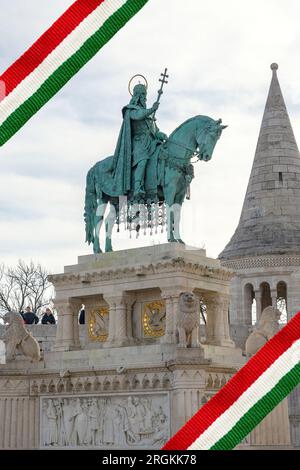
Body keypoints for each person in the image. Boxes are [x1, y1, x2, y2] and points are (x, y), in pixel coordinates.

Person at [111, 83, 167, 199]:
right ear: (135, 95)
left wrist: (162, 135)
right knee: (143, 160)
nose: (143, 97)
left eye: (144, 94)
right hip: (139, 143)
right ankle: (137, 187)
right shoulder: (131, 110)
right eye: (141, 94)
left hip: (151, 142)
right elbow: (138, 116)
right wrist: (152, 109)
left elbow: (155, 131)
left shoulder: (149, 116)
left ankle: (159, 183)